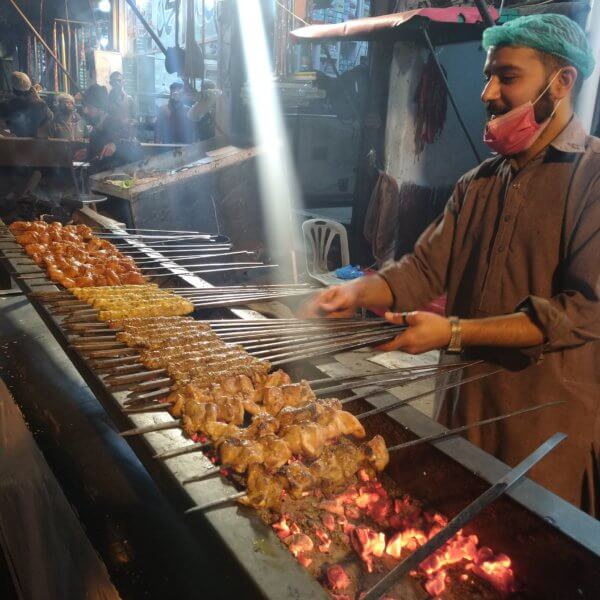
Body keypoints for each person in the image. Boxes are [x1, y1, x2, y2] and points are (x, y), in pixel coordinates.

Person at [301, 15, 600, 516]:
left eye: (507, 77)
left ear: (562, 81)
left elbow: (586, 312)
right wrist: (356, 293)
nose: (487, 92)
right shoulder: (478, 183)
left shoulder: (591, 180)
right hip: (462, 413)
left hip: (545, 431)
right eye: (488, 76)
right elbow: (422, 271)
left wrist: (452, 332)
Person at [77, 83, 140, 172]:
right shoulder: (96, 127)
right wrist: (88, 152)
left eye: (89, 107)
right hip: (97, 177)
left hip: (117, 177)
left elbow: (134, 143)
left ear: (100, 108)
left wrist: (116, 145)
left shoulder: (115, 122)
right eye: (85, 107)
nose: (86, 111)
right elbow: (98, 152)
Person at [0, 72, 53, 138]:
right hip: (35, 145)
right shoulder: (40, 104)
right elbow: (50, 118)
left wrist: (8, 135)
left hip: (15, 144)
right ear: (29, 85)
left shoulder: (6, 104)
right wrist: (38, 97)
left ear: (13, 88)